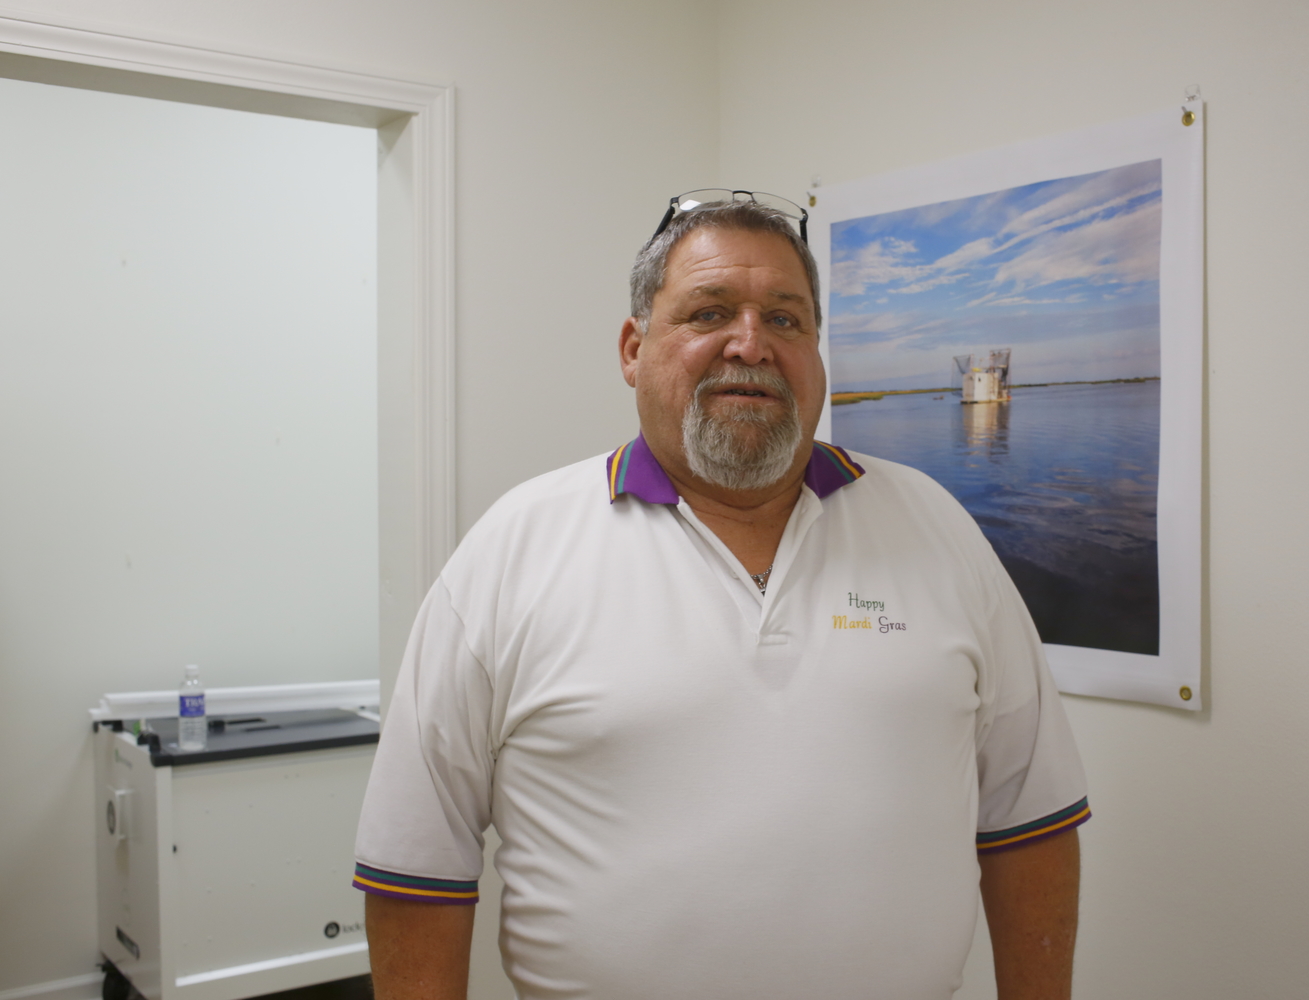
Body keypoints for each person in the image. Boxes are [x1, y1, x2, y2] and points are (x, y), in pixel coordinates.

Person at [353, 190, 1090, 1000]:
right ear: (634, 348)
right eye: (709, 314)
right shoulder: (514, 550)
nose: (752, 344)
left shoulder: (934, 526)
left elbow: (1031, 823)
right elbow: (417, 864)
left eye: (786, 319)